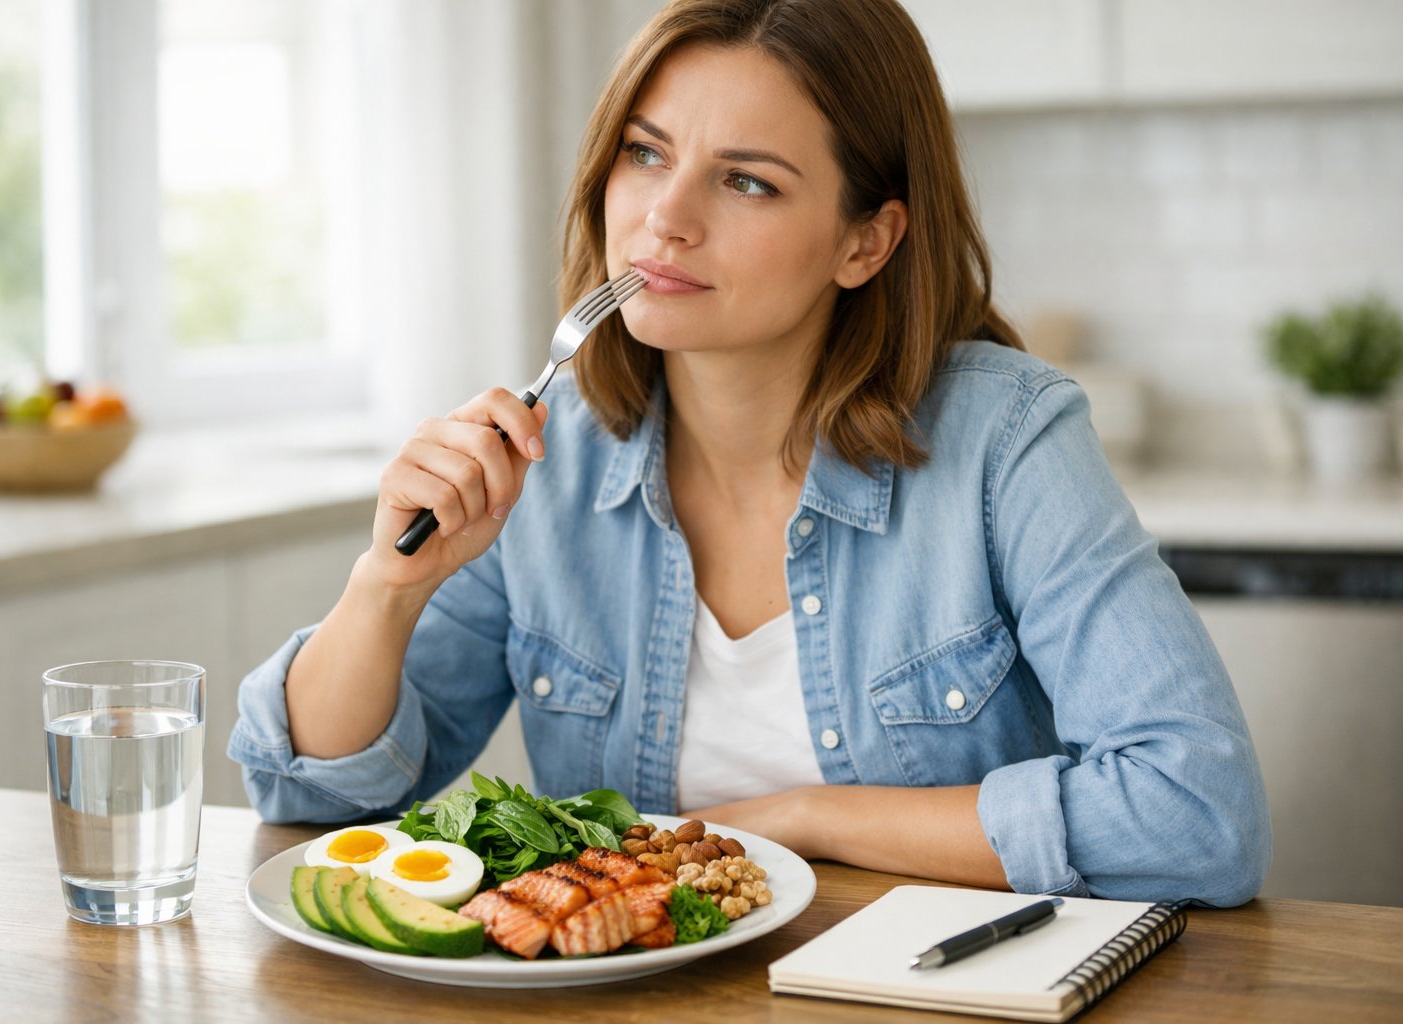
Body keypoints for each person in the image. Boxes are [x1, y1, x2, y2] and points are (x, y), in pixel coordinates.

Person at [230, 0, 1271, 906]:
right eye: (644, 154)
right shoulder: (550, 464)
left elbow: (1196, 813)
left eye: (749, 183)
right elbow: (308, 797)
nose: (664, 219)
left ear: (866, 241)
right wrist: (387, 585)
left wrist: (809, 817)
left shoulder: (1007, 439)